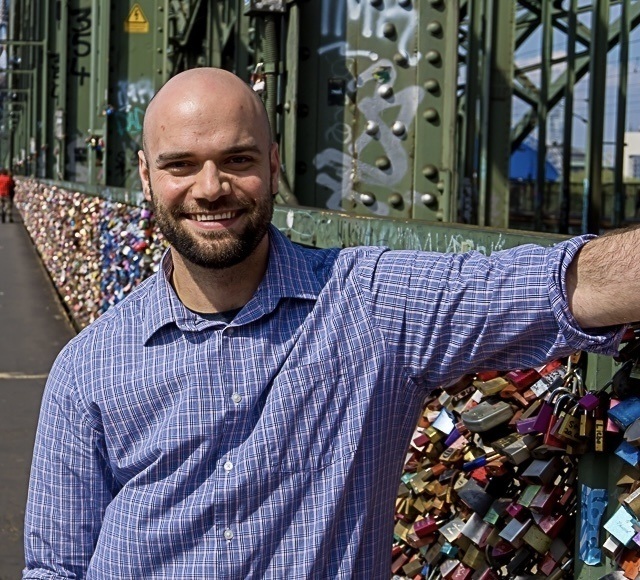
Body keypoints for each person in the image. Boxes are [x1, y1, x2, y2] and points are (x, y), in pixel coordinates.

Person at [22, 67, 634, 579]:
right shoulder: (89, 364)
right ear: (146, 176)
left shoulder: (368, 307)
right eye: (180, 165)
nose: (210, 188)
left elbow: (564, 287)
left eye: (237, 159)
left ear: (273, 164)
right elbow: (55, 566)